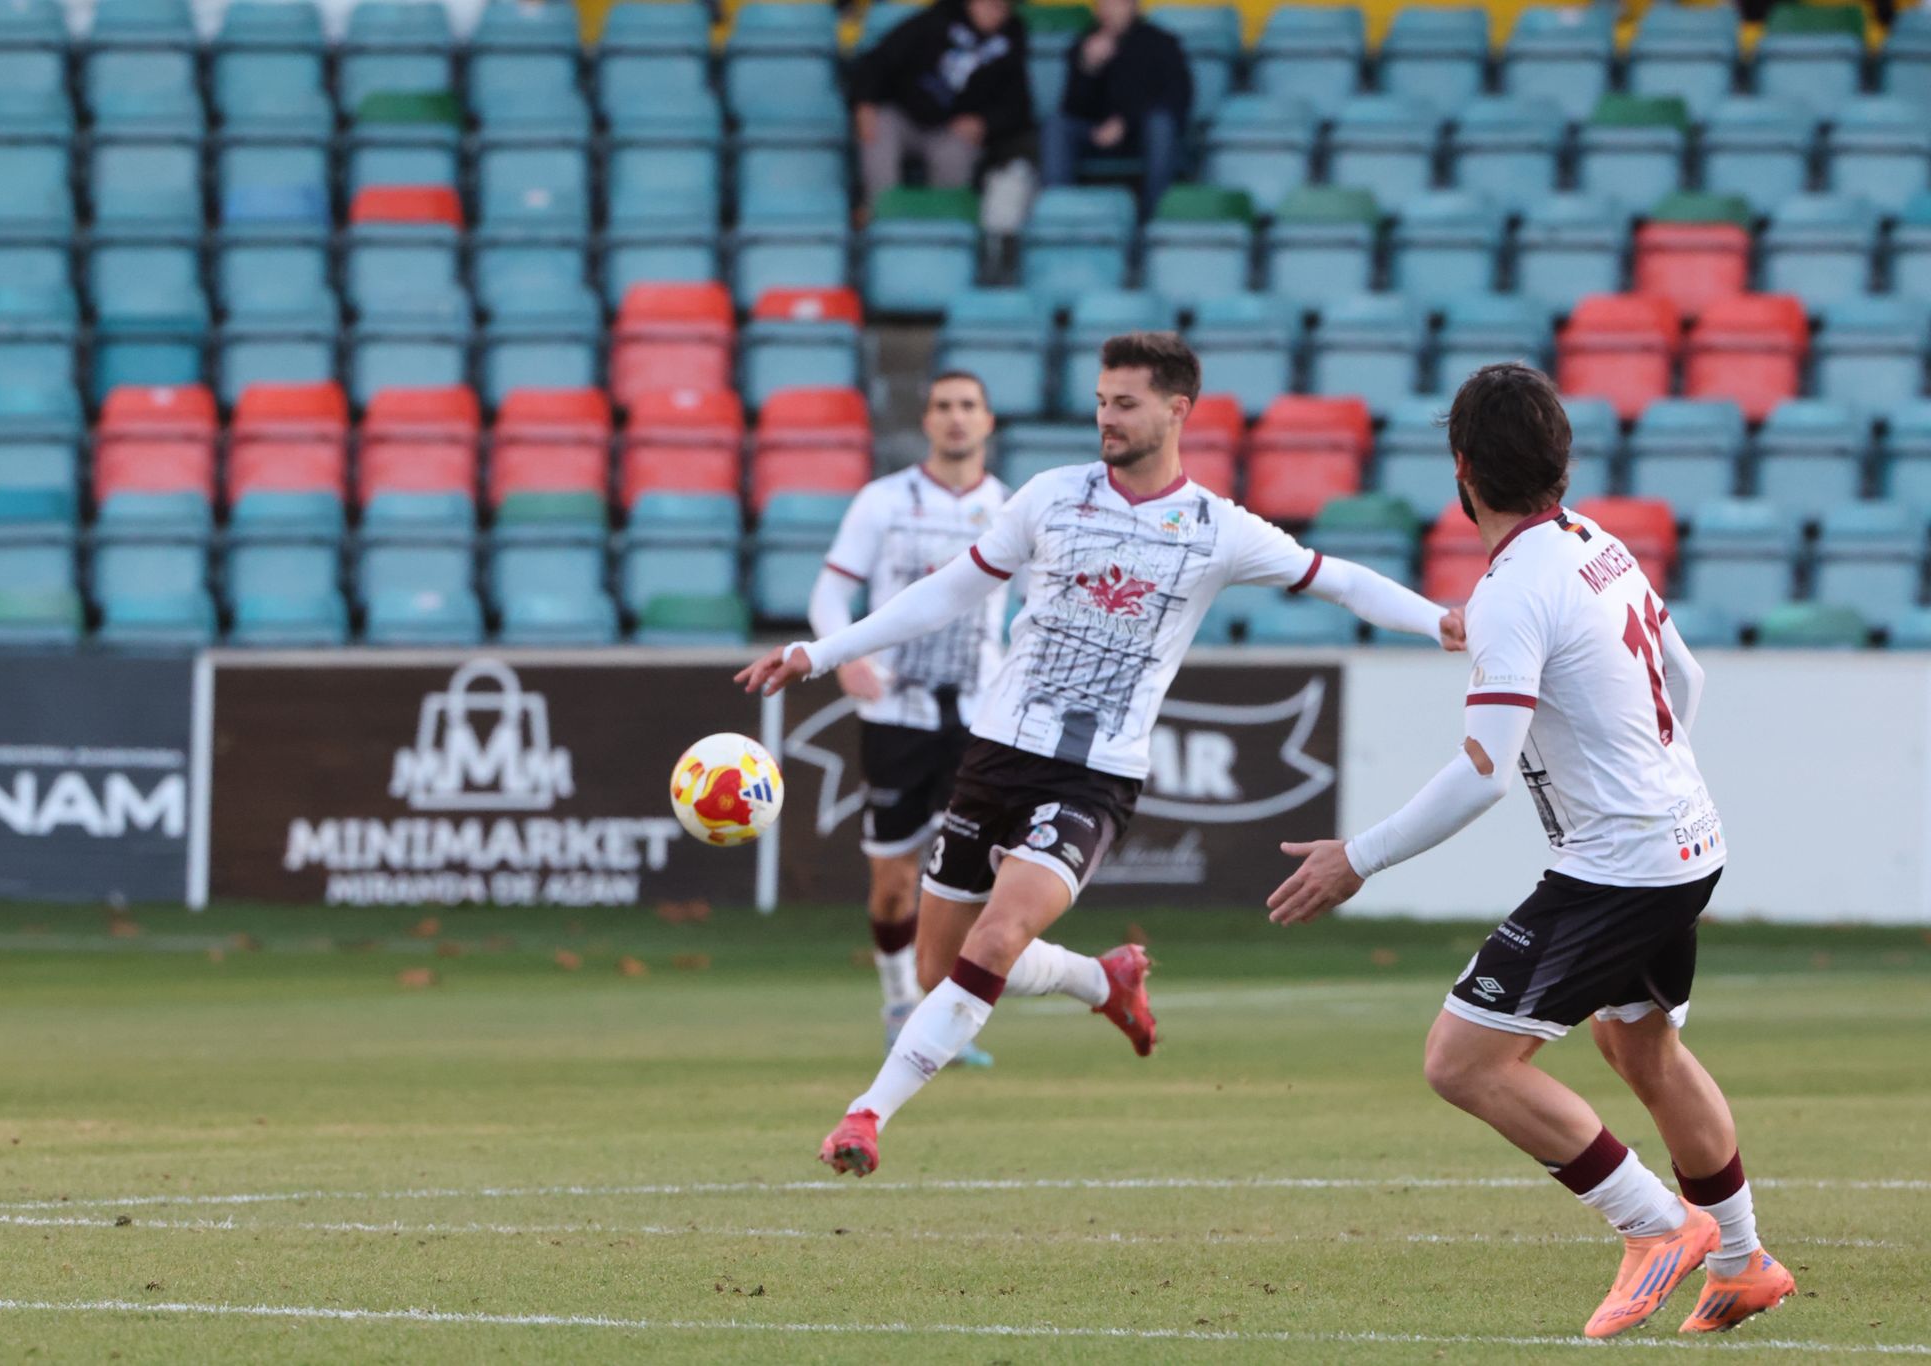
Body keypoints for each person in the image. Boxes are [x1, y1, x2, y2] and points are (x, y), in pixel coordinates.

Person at [737, 332, 1464, 1177]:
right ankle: (1100, 981)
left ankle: (867, 1115)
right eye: (1100, 401)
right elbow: (947, 591)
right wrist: (821, 652)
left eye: (1124, 404)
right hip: (995, 756)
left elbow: (1339, 580)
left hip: (1094, 777)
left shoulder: (1217, 528)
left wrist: (1437, 620)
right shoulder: (1051, 497)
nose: (1105, 419)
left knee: (997, 937)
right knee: (943, 968)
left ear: (1177, 410)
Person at [1265, 363, 1795, 1339]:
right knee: (1638, 1044)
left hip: (1620, 863)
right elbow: (1686, 677)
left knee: (1462, 1060)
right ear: (1561, 462)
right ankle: (1741, 1260)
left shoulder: (1511, 591)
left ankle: (1654, 1223)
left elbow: (1482, 773)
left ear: (1460, 471)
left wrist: (1357, 857)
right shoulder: (1596, 543)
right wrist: (1646, 777)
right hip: (1685, 839)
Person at [811, 372, 1009, 1067]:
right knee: (894, 881)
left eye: (968, 406)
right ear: (926, 421)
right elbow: (829, 594)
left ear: (988, 421)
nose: (956, 418)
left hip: (981, 720)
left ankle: (949, 1023)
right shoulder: (883, 501)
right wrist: (844, 657)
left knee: (973, 881)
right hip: (895, 714)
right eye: (943, 406)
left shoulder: (1012, 509)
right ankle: (899, 1006)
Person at [850, 0, 1034, 207]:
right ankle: (880, 212)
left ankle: (945, 220)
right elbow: (877, 62)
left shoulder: (1011, 38)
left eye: (1003, 7)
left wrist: (984, 122)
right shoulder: (938, 18)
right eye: (989, 4)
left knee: (957, 151)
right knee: (879, 126)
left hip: (950, 129)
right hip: (903, 115)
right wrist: (864, 103)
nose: (995, 12)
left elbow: (1018, 106)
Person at [1041, 0, 1192, 216]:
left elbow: (1177, 98)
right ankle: (1058, 212)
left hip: (1141, 134)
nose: (1108, 9)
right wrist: (1088, 68)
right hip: (1095, 133)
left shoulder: (1160, 42)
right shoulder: (1084, 44)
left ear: (1133, 6)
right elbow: (1071, 108)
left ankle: (1155, 215)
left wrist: (1126, 123)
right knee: (1056, 125)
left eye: (1116, 3)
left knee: (1161, 124)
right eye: (1103, 3)